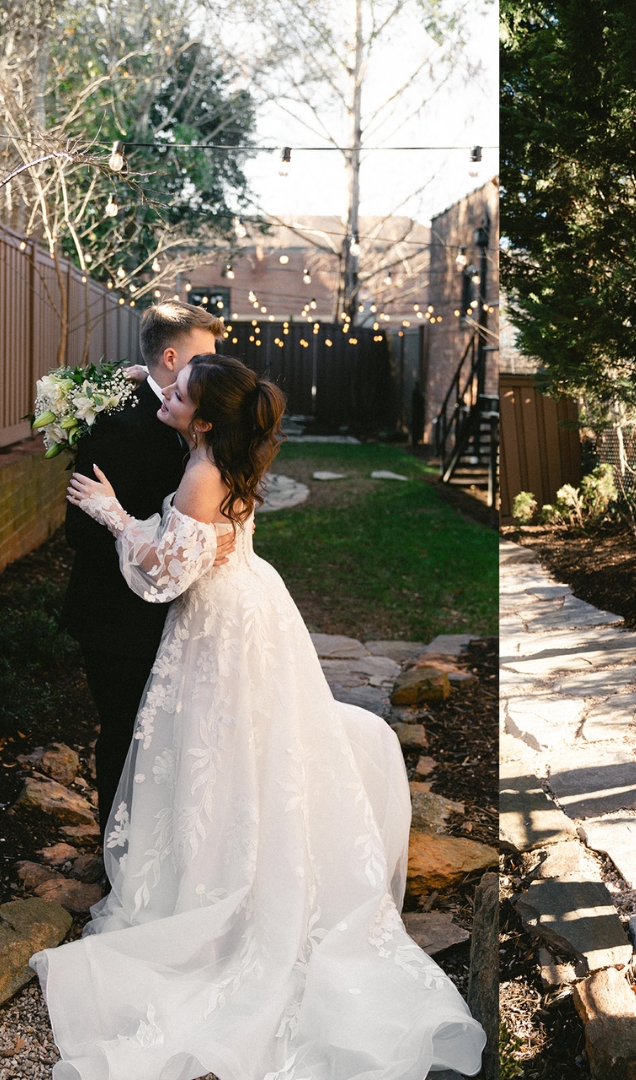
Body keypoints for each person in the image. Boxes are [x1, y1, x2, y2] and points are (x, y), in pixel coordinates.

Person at [31, 355, 485, 1080]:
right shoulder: (217, 457)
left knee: (225, 746)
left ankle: (226, 889)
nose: (167, 395)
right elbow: (192, 543)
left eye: (178, 394)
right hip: (245, 610)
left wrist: (113, 513)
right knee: (245, 747)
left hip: (218, 625)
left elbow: (166, 575)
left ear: (205, 419)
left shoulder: (203, 468)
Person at [62, 300, 226, 827]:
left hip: (185, 615)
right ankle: (118, 860)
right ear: (174, 358)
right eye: (206, 356)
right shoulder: (118, 422)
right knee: (125, 736)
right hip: (120, 620)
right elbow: (81, 529)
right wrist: (148, 538)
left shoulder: (203, 416)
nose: (215, 368)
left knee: (175, 739)